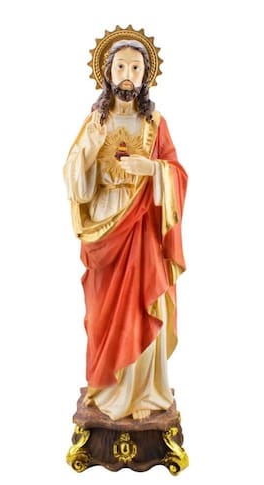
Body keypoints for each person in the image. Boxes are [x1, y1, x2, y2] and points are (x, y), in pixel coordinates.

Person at [63, 29, 187, 421]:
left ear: (146, 74)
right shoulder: (95, 121)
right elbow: (73, 179)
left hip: (141, 228)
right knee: (103, 309)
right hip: (104, 225)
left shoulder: (155, 123)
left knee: (140, 301)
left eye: (135, 67)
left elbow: (178, 173)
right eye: (121, 67)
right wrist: (89, 149)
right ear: (108, 72)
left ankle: (145, 392)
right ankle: (107, 387)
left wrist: (152, 169)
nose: (128, 75)